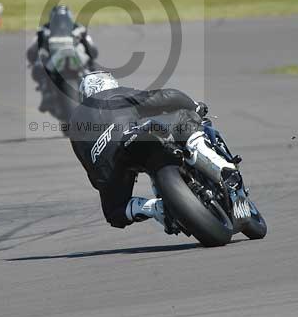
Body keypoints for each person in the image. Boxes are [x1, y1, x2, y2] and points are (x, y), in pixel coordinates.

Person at [69, 71, 218, 230]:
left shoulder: (74, 125)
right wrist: (195, 106)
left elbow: (91, 172)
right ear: (107, 84)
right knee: (183, 116)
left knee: (114, 212)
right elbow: (165, 97)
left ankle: (154, 208)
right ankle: (214, 161)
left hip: (107, 168)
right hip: (132, 138)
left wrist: (107, 183)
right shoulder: (111, 95)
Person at [26, 5, 98, 112]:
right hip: (57, 61)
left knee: (91, 67)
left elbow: (32, 51)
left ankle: (94, 90)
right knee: (39, 65)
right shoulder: (77, 27)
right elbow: (91, 48)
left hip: (73, 59)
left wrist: (90, 59)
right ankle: (46, 93)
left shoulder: (77, 28)